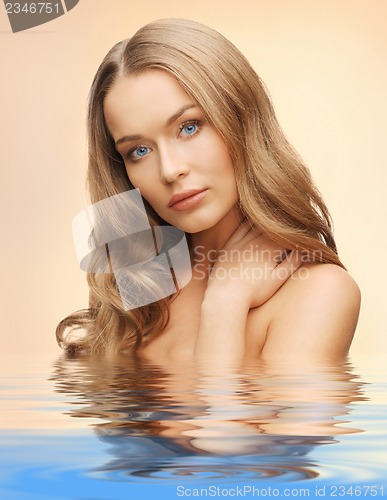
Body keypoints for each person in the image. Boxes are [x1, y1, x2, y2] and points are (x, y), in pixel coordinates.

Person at [56, 18, 360, 365]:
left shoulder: (317, 292)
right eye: (138, 151)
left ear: (240, 119)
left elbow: (218, 420)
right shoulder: (136, 289)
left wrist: (225, 302)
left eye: (189, 127)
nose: (170, 170)